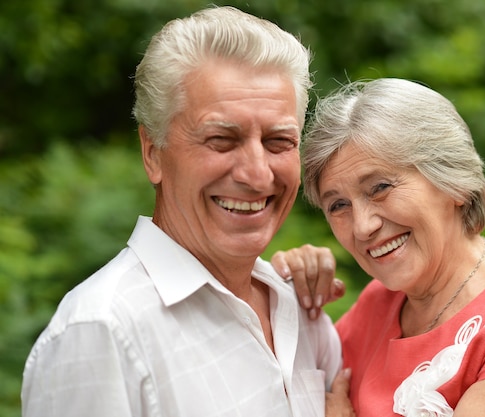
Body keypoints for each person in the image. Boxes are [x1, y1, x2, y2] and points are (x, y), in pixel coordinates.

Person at [21, 6, 354, 417]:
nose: (257, 174)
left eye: (278, 141)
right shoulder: (101, 331)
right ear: (153, 154)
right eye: (221, 139)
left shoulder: (303, 313)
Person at [271, 78, 485, 417]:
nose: (363, 226)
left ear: (452, 182)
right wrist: (283, 292)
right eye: (338, 205)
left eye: (380, 187)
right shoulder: (377, 306)